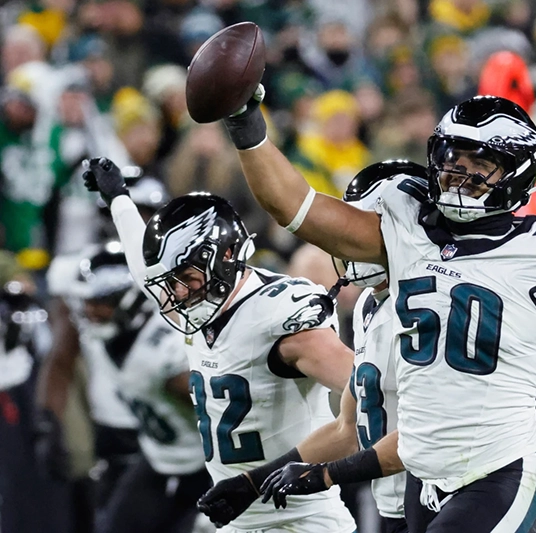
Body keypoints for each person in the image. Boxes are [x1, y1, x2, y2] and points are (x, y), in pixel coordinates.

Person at [103, 89, 536, 531]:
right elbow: (293, 206)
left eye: (478, 164)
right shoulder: (407, 233)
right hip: (422, 479)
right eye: (452, 157)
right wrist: (247, 125)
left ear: (515, 174)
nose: (458, 173)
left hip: (503, 469)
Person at [81, 158, 357, 533]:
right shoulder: (196, 296)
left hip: (302, 521)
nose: (177, 294)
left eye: (186, 277)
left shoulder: (279, 318)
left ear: (226, 256)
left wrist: (261, 479)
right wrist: (118, 199)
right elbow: (142, 266)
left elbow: (370, 395)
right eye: (170, 281)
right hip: (240, 520)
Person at [196, 160, 425, 533]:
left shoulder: (437, 305)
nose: (350, 241)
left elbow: (432, 433)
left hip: (451, 492)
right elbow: (348, 428)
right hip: (397, 503)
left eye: (368, 227)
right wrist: (255, 482)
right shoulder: (370, 304)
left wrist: (328, 475)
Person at [64, 242, 211, 533]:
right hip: (157, 456)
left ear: (132, 298)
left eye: (101, 301)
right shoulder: (106, 338)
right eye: (87, 302)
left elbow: (221, 414)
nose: (91, 310)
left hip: (203, 467)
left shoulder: (165, 351)